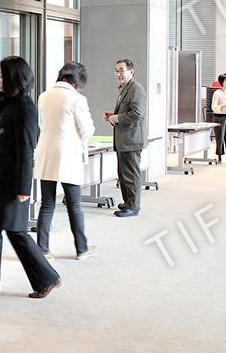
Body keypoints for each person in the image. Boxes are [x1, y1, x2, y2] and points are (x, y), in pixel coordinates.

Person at [0, 56, 61, 299]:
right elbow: (4, 140)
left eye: (2, 76)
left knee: (16, 230)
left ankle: (47, 277)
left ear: (13, 79)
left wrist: (24, 187)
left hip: (13, 180)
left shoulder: (25, 108)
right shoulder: (10, 105)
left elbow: (26, 149)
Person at [35, 62, 97, 260]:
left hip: (46, 154)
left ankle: (42, 249)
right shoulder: (77, 99)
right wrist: (81, 139)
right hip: (68, 156)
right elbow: (87, 129)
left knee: (47, 204)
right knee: (74, 205)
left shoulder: (43, 96)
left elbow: (42, 124)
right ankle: (82, 248)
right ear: (77, 82)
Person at [103, 59, 147, 218]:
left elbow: (137, 114)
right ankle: (128, 202)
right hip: (124, 139)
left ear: (131, 71)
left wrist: (117, 119)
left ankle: (133, 206)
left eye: (122, 70)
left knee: (130, 174)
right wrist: (112, 116)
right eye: (116, 70)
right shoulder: (124, 89)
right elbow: (127, 111)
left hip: (131, 139)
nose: (118, 74)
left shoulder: (136, 89)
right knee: (123, 174)